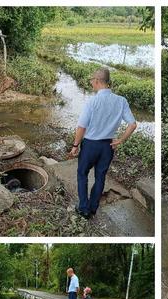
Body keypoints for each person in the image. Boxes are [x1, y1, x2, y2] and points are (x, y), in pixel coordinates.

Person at [68, 68, 137, 219]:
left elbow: (81, 127)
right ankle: (93, 208)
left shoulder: (92, 101)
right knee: (100, 176)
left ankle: (83, 208)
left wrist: (75, 145)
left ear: (97, 81)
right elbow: (132, 124)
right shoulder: (121, 101)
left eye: (92, 80)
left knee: (82, 174)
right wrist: (121, 140)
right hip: (108, 146)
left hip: (91, 145)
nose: (91, 83)